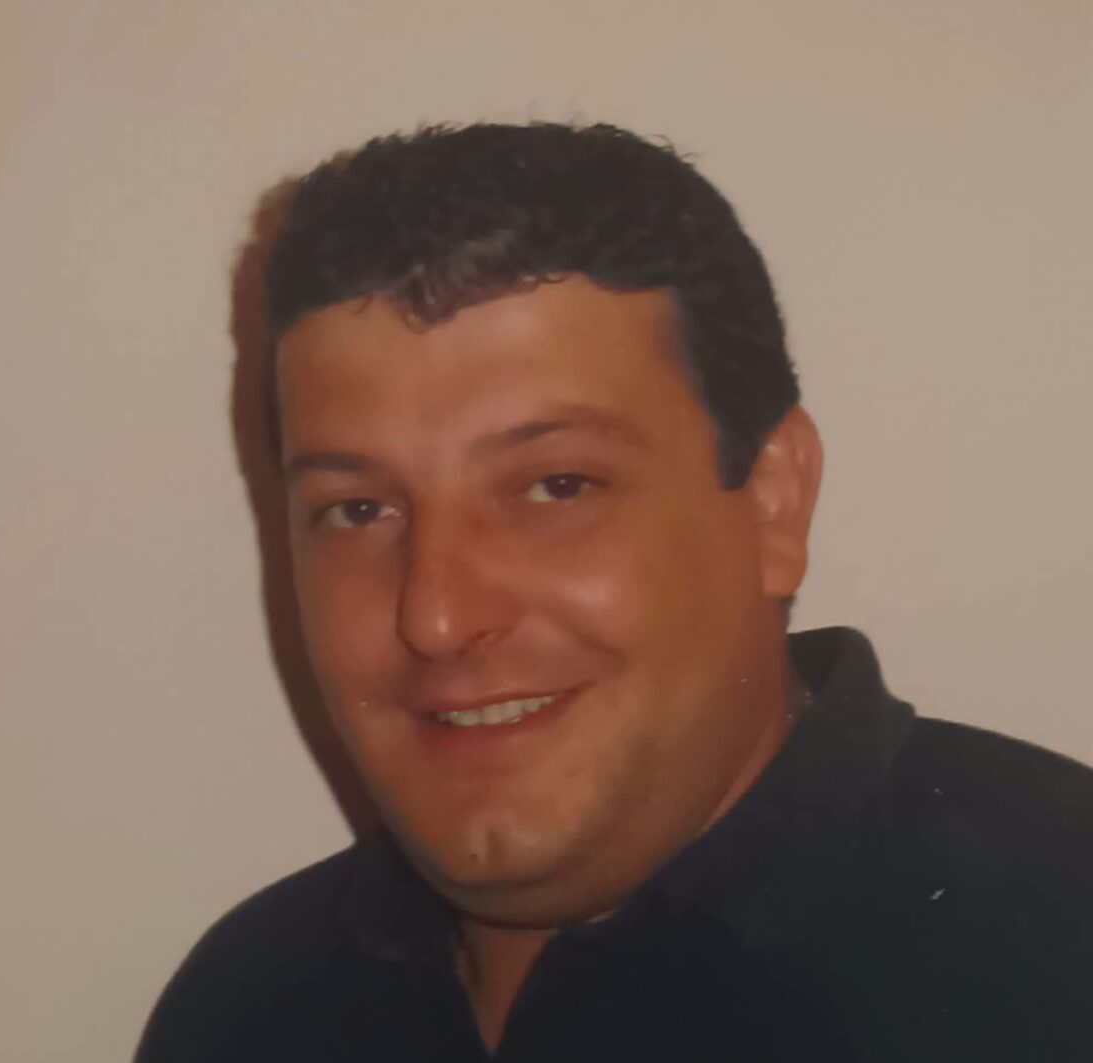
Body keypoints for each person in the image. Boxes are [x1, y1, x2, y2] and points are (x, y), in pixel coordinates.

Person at [136, 123, 1093, 1062]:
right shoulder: (248, 1002)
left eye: (557, 486)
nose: (436, 615)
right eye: (358, 509)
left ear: (773, 499)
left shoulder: (1062, 945)